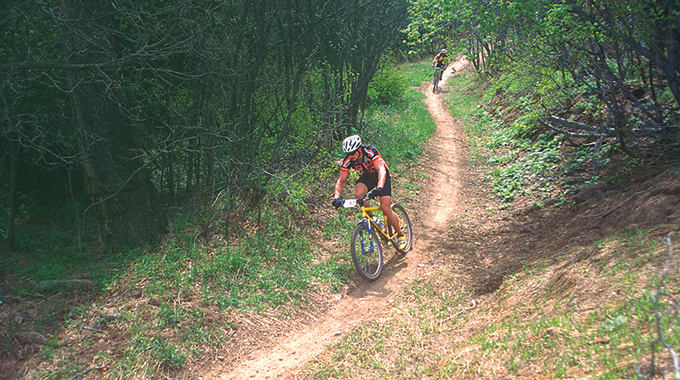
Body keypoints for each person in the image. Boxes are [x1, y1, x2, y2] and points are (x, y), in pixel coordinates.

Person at [331, 135, 406, 249]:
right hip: (368, 176)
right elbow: (341, 180)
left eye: (352, 153)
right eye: (348, 154)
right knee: (358, 194)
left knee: (385, 208)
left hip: (381, 175)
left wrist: (379, 187)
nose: (350, 156)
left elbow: (381, 169)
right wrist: (336, 198)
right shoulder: (348, 160)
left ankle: (400, 234)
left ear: (359, 149)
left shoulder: (370, 152)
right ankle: (373, 218)